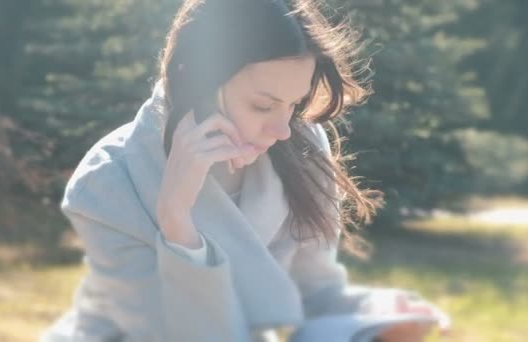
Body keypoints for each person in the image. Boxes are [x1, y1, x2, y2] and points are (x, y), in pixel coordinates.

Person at [40, 0, 450, 341]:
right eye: (261, 105)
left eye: (294, 104)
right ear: (193, 76)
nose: (281, 129)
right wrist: (176, 220)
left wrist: (377, 319)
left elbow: (312, 294)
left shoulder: (302, 148)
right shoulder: (105, 185)